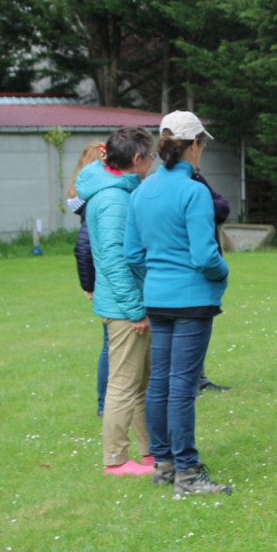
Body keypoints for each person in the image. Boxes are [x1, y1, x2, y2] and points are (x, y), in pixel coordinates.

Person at [125, 110, 232, 496]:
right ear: (195, 146)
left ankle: (166, 465)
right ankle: (187, 473)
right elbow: (205, 257)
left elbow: (133, 254)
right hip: (192, 299)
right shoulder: (194, 192)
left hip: (158, 298)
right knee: (183, 387)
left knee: (160, 384)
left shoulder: (142, 191)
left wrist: (155, 280)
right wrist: (223, 272)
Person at [75, 127, 157, 476]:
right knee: (124, 384)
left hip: (129, 304)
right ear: (136, 160)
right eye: (150, 156)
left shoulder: (118, 190)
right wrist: (135, 309)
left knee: (141, 383)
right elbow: (111, 259)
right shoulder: (112, 199)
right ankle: (116, 460)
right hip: (124, 309)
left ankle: (151, 451)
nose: (153, 162)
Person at [66, 140, 109, 417]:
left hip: (100, 277)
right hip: (107, 278)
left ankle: (106, 404)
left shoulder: (82, 198)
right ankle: (105, 405)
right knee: (111, 345)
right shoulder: (98, 198)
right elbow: (84, 246)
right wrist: (89, 284)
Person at [190, 167, 232, 394]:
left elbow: (222, 207)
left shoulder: (196, 177)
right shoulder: (187, 183)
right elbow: (217, 206)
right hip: (192, 271)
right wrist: (220, 272)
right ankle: (191, 382)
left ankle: (199, 378)